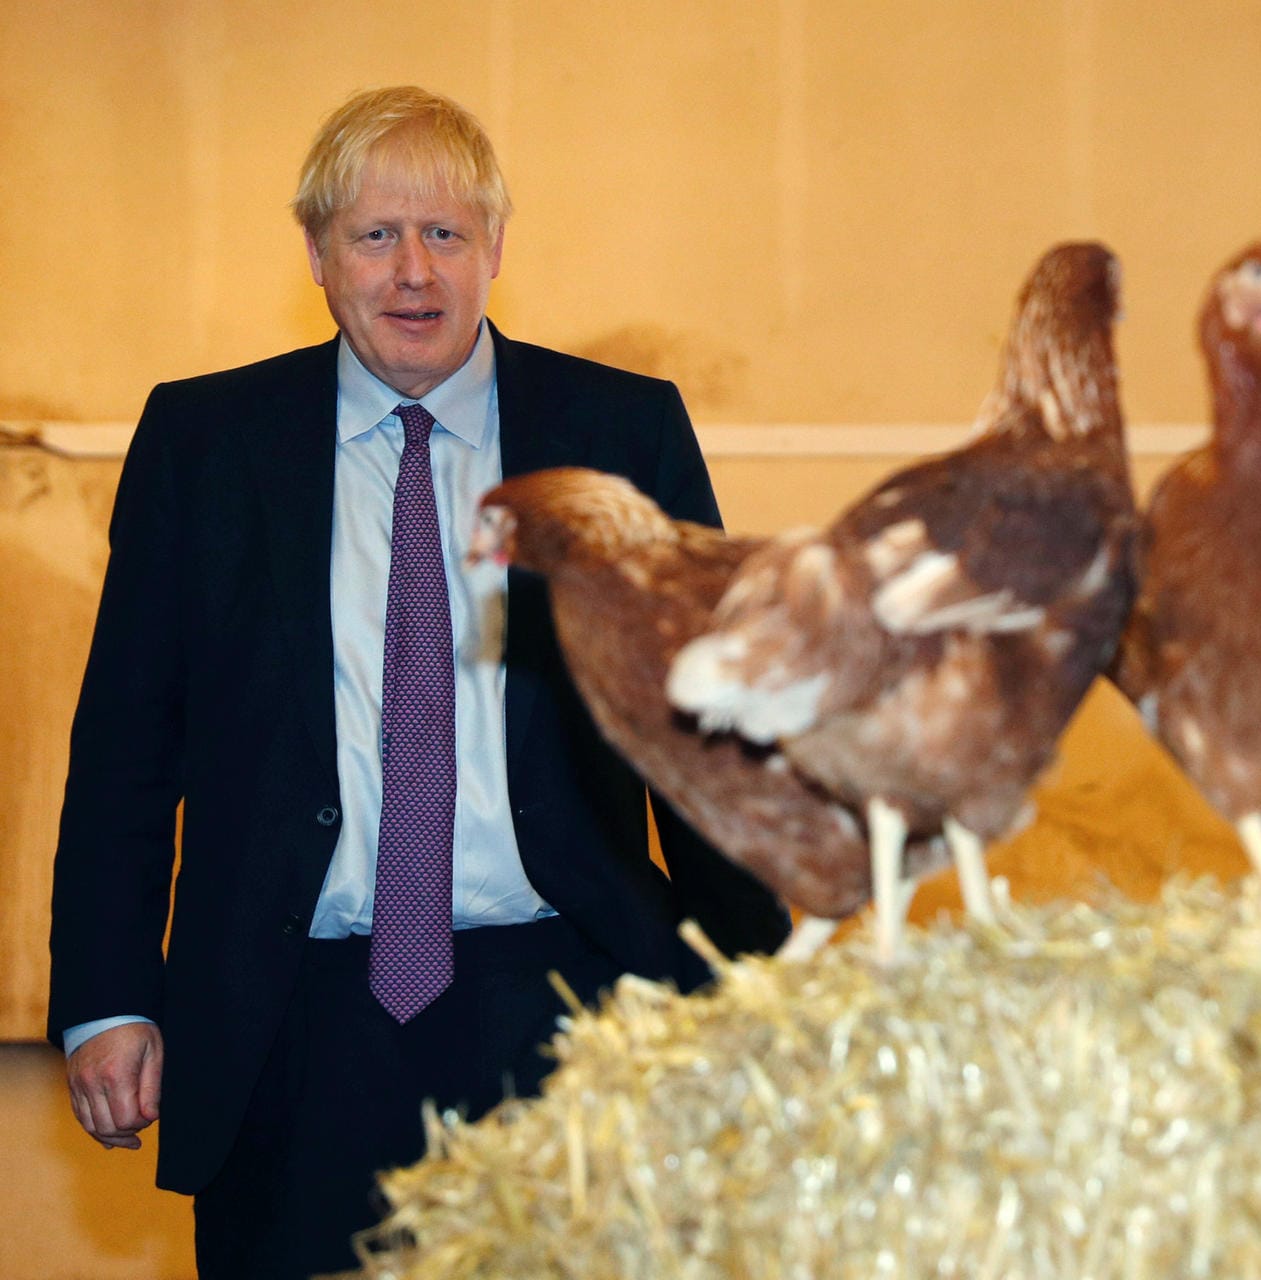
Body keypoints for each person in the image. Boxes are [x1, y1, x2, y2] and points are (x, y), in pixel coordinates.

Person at [47, 84, 791, 1279]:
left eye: (444, 233)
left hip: (574, 999)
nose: (412, 272)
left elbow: (705, 725)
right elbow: (129, 746)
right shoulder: (205, 444)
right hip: (289, 1020)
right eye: (375, 235)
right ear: (316, 254)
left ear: (496, 247)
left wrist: (757, 982)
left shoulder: (621, 429)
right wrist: (106, 995)